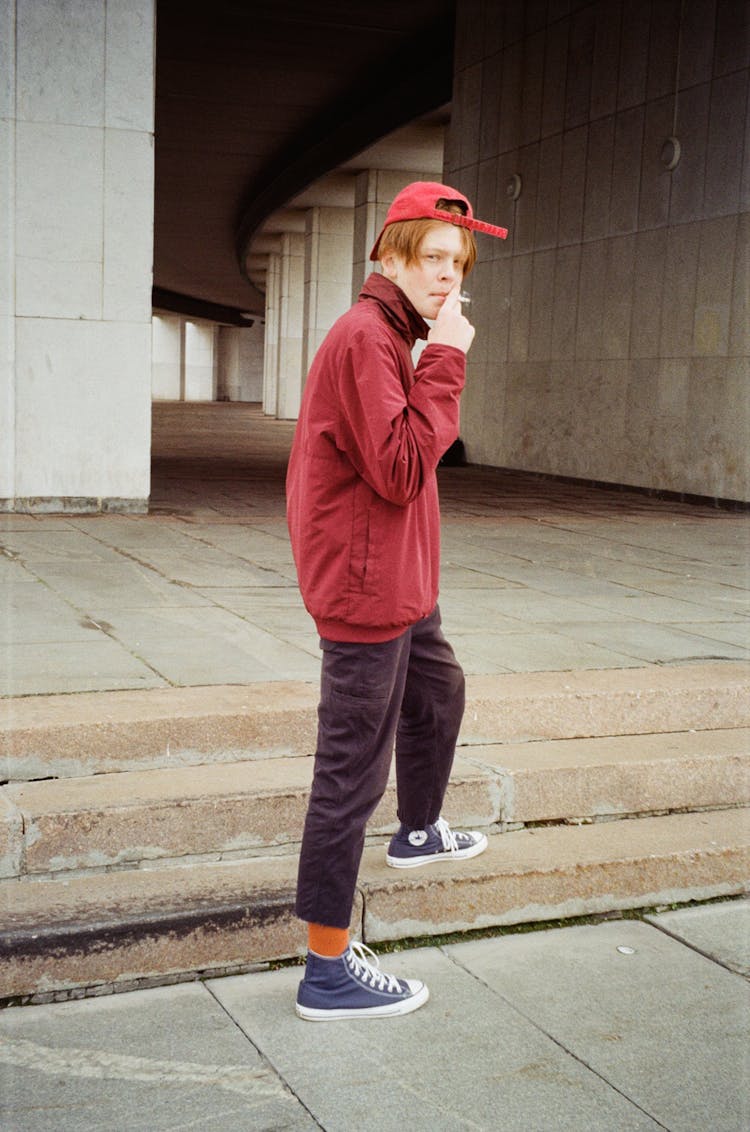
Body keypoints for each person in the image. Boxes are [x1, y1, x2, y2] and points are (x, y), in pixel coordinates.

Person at [286, 181, 508, 1020]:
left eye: (459, 261)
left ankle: (419, 829)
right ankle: (326, 969)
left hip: (402, 585)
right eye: (432, 258)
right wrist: (449, 359)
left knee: (440, 692)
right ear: (390, 254)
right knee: (348, 774)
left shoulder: (393, 335)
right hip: (366, 592)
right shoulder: (366, 339)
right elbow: (404, 468)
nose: (448, 276)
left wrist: (434, 354)